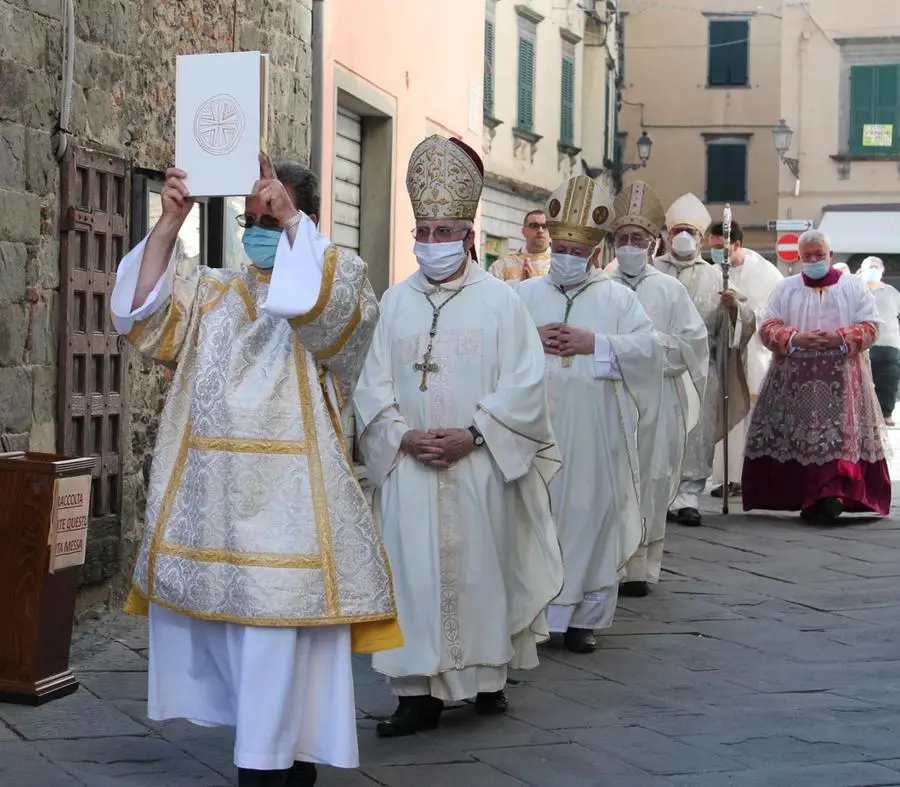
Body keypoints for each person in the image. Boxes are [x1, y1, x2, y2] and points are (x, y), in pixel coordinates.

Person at [109, 154, 401, 787]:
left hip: (291, 518)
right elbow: (140, 319)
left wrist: (292, 225)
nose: (256, 228)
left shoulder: (336, 278)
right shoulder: (215, 292)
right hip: (216, 514)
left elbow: (335, 320)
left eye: (269, 215)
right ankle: (275, 758)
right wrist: (167, 225)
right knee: (246, 663)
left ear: (306, 219)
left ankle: (268, 768)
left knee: (277, 653)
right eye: (249, 218)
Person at [354, 135, 564, 735]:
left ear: (468, 235)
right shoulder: (394, 303)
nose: (433, 243)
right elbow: (370, 386)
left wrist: (476, 434)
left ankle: (486, 676)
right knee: (413, 576)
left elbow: (526, 384)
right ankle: (415, 692)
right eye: (425, 230)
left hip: (478, 467)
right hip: (412, 468)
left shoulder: (501, 303)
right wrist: (400, 436)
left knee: (481, 570)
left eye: (446, 231)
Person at [516, 175, 663, 652]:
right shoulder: (522, 296)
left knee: (589, 517)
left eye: (577, 252)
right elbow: (498, 348)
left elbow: (648, 354)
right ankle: (534, 615)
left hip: (595, 434)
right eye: (560, 248)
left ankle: (584, 620)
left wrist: (594, 344)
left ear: (596, 253)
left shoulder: (619, 299)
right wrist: (529, 336)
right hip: (533, 431)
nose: (566, 258)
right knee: (534, 521)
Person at [743, 230, 891, 523]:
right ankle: (810, 497)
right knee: (802, 441)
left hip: (844, 381)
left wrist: (839, 336)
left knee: (837, 442)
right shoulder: (786, 288)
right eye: (808, 256)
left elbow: (872, 325)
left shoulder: (854, 286)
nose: (813, 260)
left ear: (830, 256)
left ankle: (830, 495)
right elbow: (768, 326)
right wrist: (796, 338)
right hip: (794, 381)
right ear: (799, 258)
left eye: (819, 255)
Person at [608, 182, 709, 597]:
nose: (629, 246)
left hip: (657, 398)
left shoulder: (670, 289)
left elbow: (693, 342)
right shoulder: (602, 285)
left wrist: (644, 351)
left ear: (653, 245)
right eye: (622, 239)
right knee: (611, 477)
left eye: (638, 239)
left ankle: (640, 567)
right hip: (609, 396)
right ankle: (608, 561)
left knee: (650, 477)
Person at [654, 194, 756, 527]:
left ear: (700, 238)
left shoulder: (716, 277)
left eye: (690, 231)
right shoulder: (651, 271)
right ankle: (657, 497)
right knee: (658, 434)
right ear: (668, 236)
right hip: (655, 367)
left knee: (695, 434)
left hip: (700, 369)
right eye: (678, 230)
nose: (683, 237)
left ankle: (687, 497)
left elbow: (739, 324)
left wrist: (733, 310)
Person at [707, 220, 783, 498]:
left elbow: (771, 316)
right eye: (712, 248)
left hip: (754, 356)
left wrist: (739, 306)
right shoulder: (714, 272)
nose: (715, 254)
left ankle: (751, 476)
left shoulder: (765, 273)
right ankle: (727, 477)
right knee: (725, 413)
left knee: (750, 415)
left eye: (720, 248)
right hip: (723, 353)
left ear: (736, 244)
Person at [859, 256, 900, 425]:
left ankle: (886, 414)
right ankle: (864, 415)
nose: (874, 270)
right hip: (863, 345)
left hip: (888, 345)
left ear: (882, 270)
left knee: (888, 381)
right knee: (862, 382)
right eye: (870, 267)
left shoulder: (892, 292)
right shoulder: (857, 289)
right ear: (863, 270)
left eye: (877, 267)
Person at [489, 209, 552, 284]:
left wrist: (535, 283)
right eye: (534, 226)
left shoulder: (560, 266)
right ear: (523, 231)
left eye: (545, 226)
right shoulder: (501, 266)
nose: (540, 230)